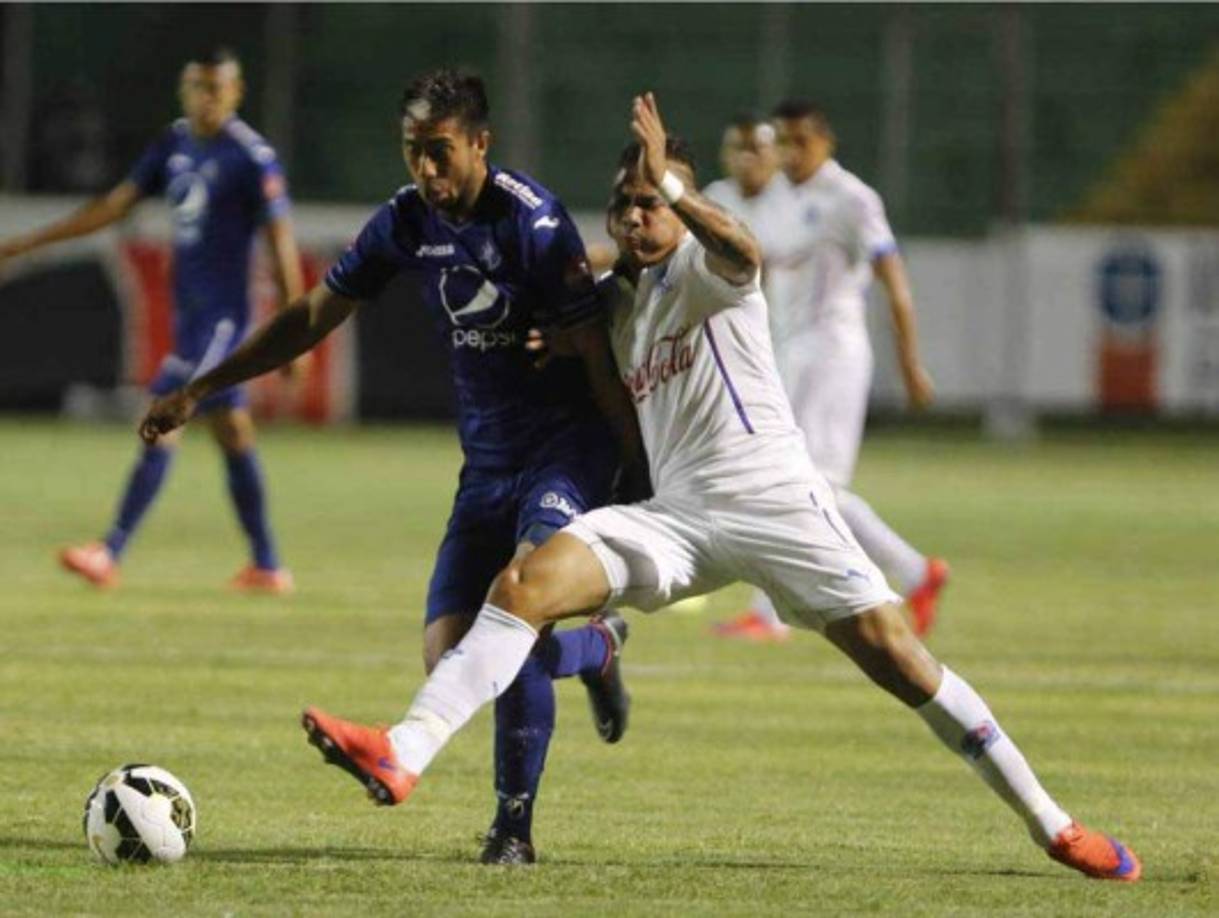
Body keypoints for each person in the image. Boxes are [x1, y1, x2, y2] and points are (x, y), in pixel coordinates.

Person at [281, 92, 1142, 883]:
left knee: (900, 663)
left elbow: (743, 247)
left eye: (652, 199)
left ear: (683, 206)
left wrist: (677, 192)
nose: (637, 213)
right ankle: (403, 749)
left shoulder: (709, 268)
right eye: (626, 201)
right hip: (677, 519)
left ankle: (1052, 823)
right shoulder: (616, 304)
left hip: (775, 507)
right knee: (525, 584)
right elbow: (578, 281)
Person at [139, 68, 643, 865]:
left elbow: (596, 355)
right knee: (455, 655)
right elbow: (312, 314)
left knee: (513, 609)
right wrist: (203, 389)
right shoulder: (406, 222)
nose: (426, 173)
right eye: (413, 153)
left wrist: (633, 468)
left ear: (480, 142)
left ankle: (512, 829)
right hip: (484, 463)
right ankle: (596, 651)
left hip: (562, 452)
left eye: (440, 153)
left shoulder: (531, 223)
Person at [0, 48, 300, 593]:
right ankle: (268, 565)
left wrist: (297, 332)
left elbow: (279, 241)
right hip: (192, 318)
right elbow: (115, 207)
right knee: (232, 433)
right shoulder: (174, 143)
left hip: (225, 322)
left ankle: (109, 550)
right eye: (195, 87)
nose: (204, 99)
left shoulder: (251, 157)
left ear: (235, 93)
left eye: (215, 89)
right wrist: (29, 243)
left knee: (164, 413)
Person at [716, 98, 948, 640]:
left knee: (808, 485)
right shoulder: (782, 199)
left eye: (802, 142)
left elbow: (893, 276)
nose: (792, 153)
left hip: (833, 352)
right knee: (794, 483)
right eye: (785, 143)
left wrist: (910, 361)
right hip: (790, 353)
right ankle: (916, 573)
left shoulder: (852, 198)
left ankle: (774, 613)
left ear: (826, 142)